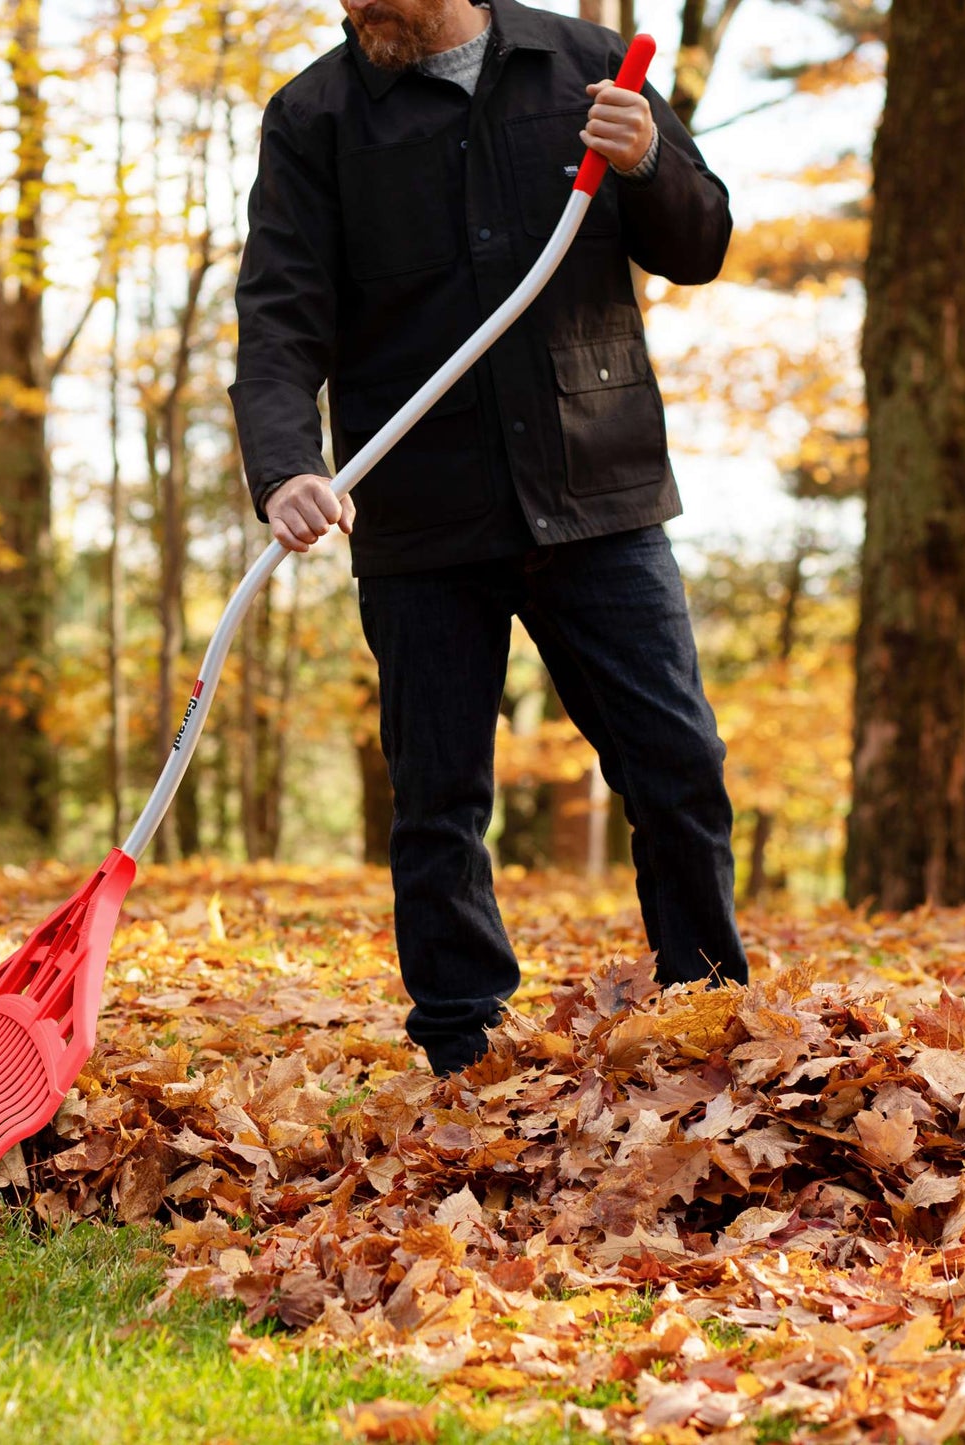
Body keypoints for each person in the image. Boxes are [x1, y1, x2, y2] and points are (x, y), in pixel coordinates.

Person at [229, 0, 749, 1077]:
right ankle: (463, 1051)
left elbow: (698, 244)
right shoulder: (313, 116)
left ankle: (708, 1020)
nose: (352, 5)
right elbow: (279, 317)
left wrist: (650, 157)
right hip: (420, 513)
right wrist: (284, 467)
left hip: (598, 495)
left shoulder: (587, 67)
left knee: (677, 767)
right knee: (437, 798)